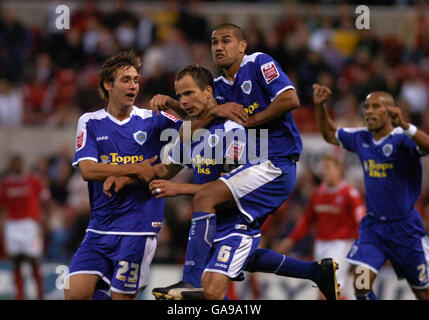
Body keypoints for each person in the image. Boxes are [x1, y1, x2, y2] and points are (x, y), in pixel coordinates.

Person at [149, 23, 340, 300]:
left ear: (242, 45)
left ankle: (190, 280)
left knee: (206, 198)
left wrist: (248, 122)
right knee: (239, 258)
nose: (218, 47)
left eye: (226, 40)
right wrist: (174, 105)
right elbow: (203, 114)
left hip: (276, 162)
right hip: (254, 168)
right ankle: (315, 272)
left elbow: (290, 99)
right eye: (214, 42)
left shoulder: (258, 63)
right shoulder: (219, 87)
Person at [64, 50, 185, 300]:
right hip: (99, 228)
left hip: (137, 229)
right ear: (108, 84)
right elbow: (87, 170)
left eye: (136, 80)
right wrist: (134, 169)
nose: (133, 86)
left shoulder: (152, 120)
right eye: (126, 80)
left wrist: (173, 104)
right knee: (75, 294)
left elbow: (198, 124)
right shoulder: (90, 122)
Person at [312, 83, 429, 300]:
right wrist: (321, 108)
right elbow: (329, 135)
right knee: (361, 286)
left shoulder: (402, 139)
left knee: (422, 292)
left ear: (390, 111)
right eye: (367, 107)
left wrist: (405, 125)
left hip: (405, 230)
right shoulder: (361, 137)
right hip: (374, 229)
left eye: (376, 107)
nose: (369, 111)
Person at [276, 154, 366, 299]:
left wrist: (361, 249)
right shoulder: (317, 194)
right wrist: (290, 239)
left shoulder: (350, 194)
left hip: (340, 244)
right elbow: (307, 221)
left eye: (328, 167)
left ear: (339, 170)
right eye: (323, 168)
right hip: (320, 244)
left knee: (329, 289)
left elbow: (361, 223)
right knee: (324, 291)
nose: (324, 172)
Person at [0, 154, 49, 300]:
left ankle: (40, 293)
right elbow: (2, 207)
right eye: (13, 163)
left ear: (22, 164)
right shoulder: (6, 184)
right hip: (12, 226)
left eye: (18, 162)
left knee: (34, 260)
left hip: (30, 225)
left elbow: (46, 200)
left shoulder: (33, 181)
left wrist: (45, 220)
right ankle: (19, 295)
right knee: (16, 262)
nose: (16, 165)